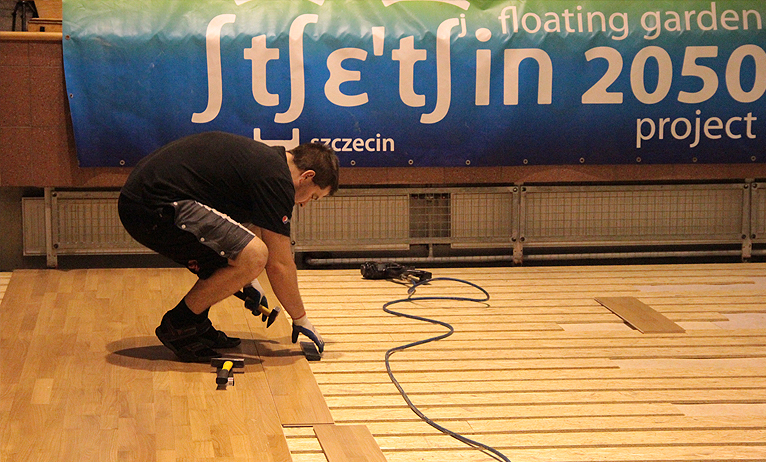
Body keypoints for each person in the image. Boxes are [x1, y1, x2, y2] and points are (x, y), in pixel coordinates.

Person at [118, 131, 339, 362]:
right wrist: (300, 318)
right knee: (255, 255)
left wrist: (248, 279)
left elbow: (242, 235)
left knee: (246, 253)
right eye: (313, 196)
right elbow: (279, 264)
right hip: (151, 206)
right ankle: (179, 326)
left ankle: (196, 322)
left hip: (143, 201)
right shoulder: (277, 179)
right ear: (307, 176)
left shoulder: (268, 165)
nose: (304, 204)